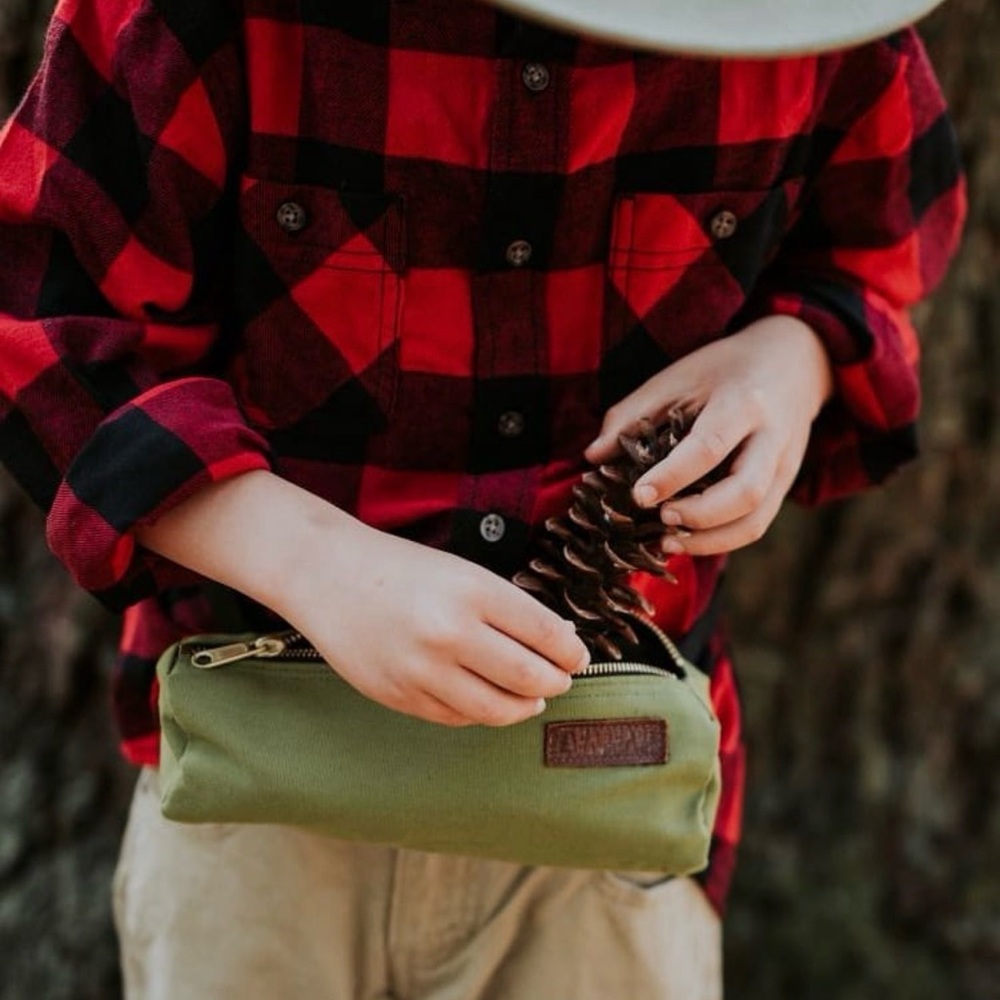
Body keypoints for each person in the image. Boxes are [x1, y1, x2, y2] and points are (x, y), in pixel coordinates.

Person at [0, 0, 964, 996]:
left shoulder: (817, 27)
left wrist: (791, 361)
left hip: (608, 805)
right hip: (257, 796)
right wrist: (308, 561)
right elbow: (48, 319)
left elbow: (872, 265)